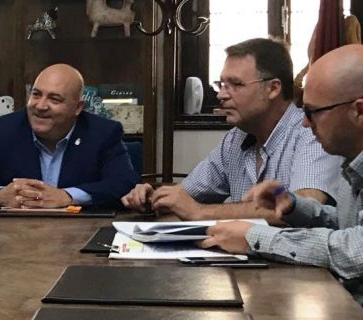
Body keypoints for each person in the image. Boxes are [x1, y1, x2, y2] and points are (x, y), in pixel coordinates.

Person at [201, 44, 363, 317]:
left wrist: (255, 237)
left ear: (359, 111)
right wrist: (295, 207)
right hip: (346, 319)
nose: (305, 124)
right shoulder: (358, 155)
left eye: (312, 112)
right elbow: (348, 223)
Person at [121, 38, 340, 220]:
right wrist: (154, 197)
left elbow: (306, 207)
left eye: (235, 84)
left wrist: (200, 212)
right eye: (221, 84)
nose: (221, 95)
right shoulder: (236, 138)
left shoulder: (311, 133)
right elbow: (188, 194)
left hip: (301, 271)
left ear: (273, 88)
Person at [0, 63, 137, 209]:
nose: (40, 106)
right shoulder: (5, 130)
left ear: (77, 108)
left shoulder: (102, 133)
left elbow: (124, 185)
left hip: (78, 237)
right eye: (36, 95)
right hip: (13, 240)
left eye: (54, 99)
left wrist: (67, 197)